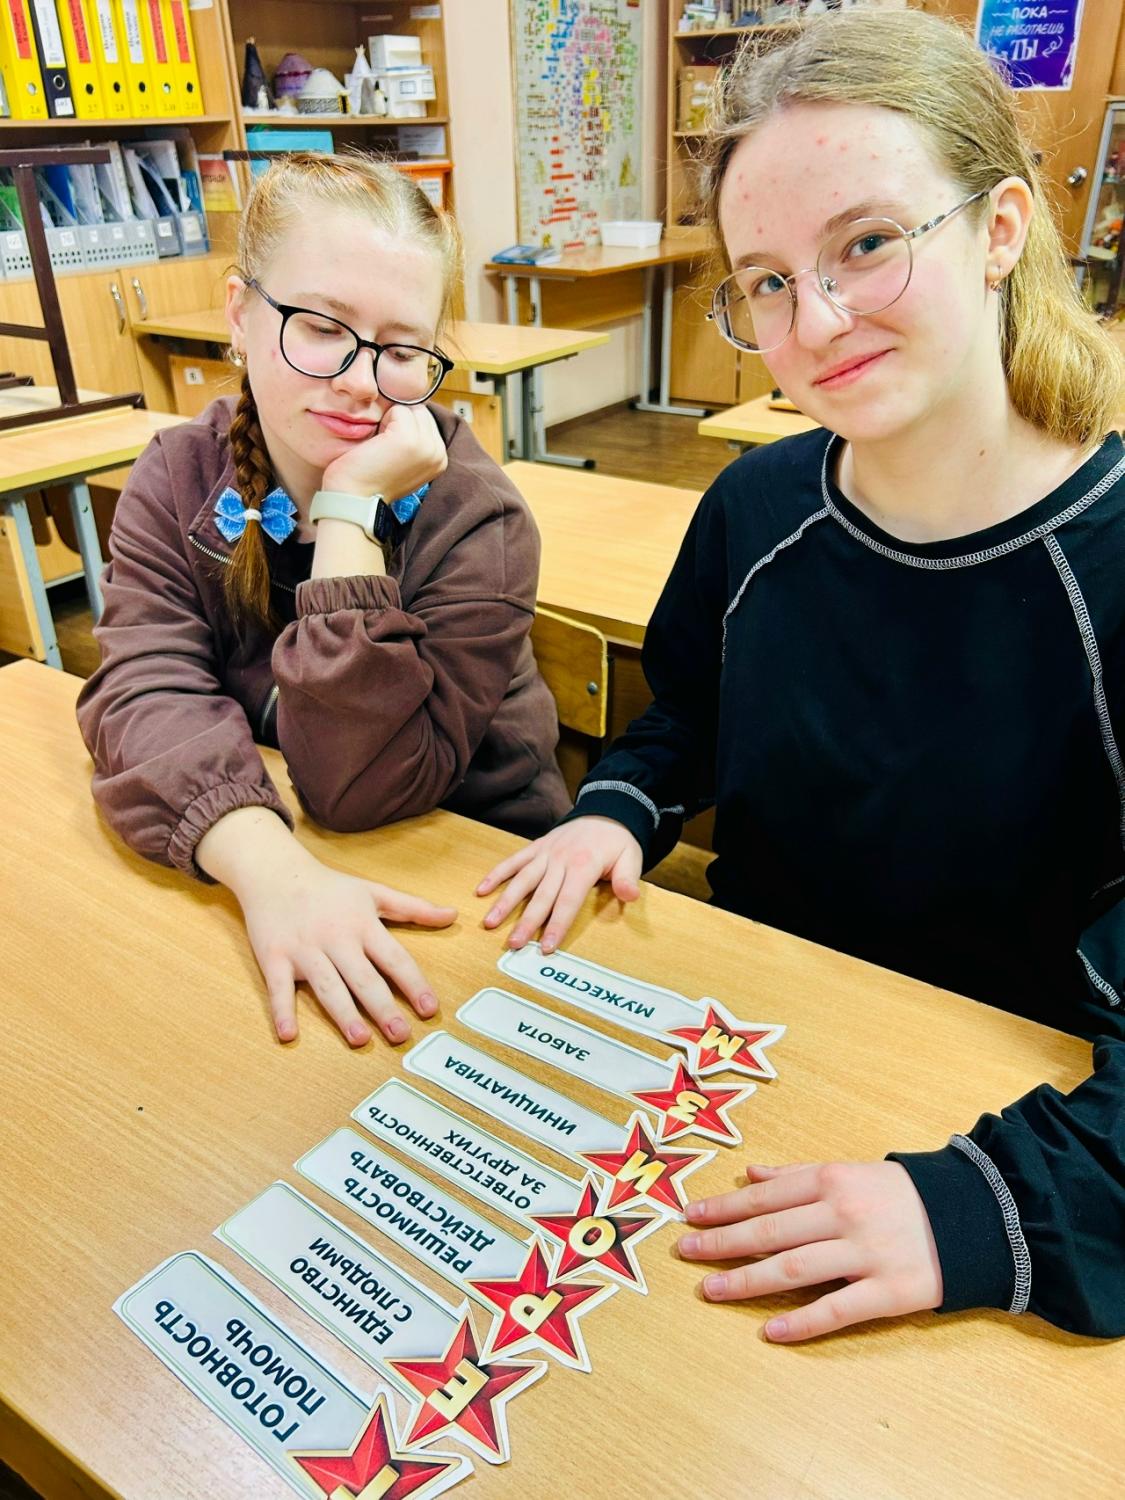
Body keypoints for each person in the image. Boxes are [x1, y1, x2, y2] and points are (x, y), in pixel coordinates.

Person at [476, 11, 1125, 1340]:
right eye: (765, 281)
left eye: (868, 244)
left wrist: (981, 1209)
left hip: (1001, 1122)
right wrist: (618, 810)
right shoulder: (757, 505)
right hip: (745, 1056)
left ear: (1001, 230)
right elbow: (690, 714)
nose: (815, 320)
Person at [78, 152, 568, 1051]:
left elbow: (359, 788)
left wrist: (347, 513)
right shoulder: (178, 475)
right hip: (281, 855)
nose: (359, 381)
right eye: (320, 327)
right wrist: (268, 869)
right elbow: (143, 689)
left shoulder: (475, 517)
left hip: (465, 876)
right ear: (239, 312)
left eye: (402, 350)